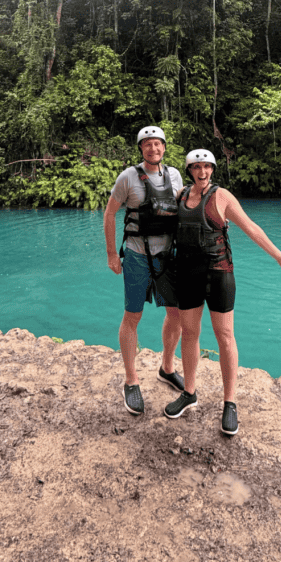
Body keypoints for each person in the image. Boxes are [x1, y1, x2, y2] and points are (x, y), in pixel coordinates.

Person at [163, 148, 281, 436]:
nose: (202, 172)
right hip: (188, 274)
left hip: (219, 274)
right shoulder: (181, 197)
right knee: (189, 333)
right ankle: (189, 392)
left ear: (213, 169)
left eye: (207, 167)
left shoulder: (221, 196)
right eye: (197, 167)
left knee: (225, 336)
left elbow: (251, 227)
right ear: (189, 170)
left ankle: (230, 402)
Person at [104, 126, 185, 416]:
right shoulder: (128, 177)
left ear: (164, 148)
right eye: (147, 144)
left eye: (158, 144)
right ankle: (131, 379)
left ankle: (167, 367)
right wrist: (113, 254)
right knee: (133, 316)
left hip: (167, 257)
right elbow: (110, 213)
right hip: (137, 256)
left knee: (175, 314)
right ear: (141, 149)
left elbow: (184, 208)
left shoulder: (174, 175)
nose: (153, 149)